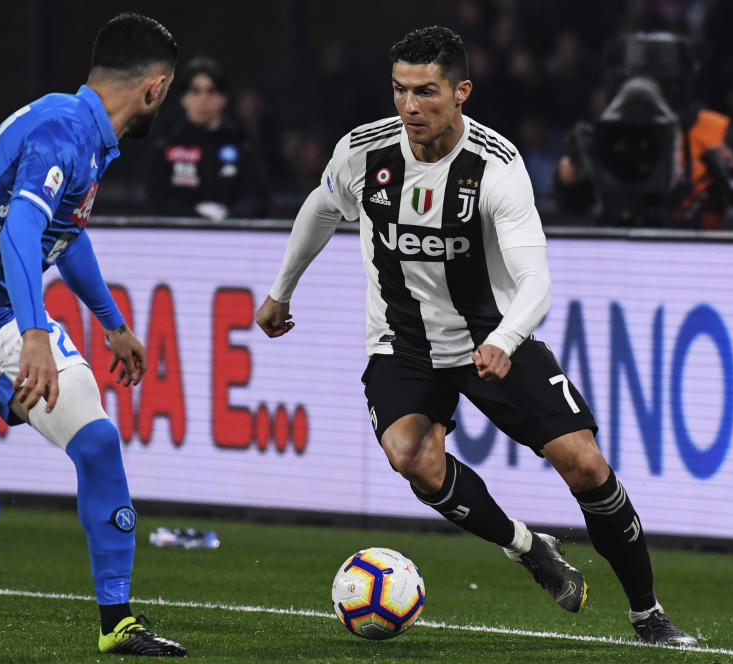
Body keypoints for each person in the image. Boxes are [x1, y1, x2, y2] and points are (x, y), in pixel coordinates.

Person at [256, 26, 697, 647]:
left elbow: (534, 278)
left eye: (427, 92)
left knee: (586, 465)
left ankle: (648, 615)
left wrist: (507, 338)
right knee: (412, 458)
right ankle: (529, 548)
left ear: (461, 92)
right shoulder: (362, 153)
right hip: (403, 340)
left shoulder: (496, 167)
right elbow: (320, 209)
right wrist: (281, 290)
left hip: (491, 336)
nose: (410, 107)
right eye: (400, 90)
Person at [0, 13, 186, 657]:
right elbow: (19, 234)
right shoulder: (64, 131)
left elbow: (67, 232)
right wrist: (37, 334)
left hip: (2, 322)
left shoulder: (84, 132)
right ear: (155, 88)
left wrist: (112, 324)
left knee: (98, 443)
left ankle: (117, 621)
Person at [553, 32, 733, 229]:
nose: (646, 95)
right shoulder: (608, 133)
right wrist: (573, 174)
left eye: (662, 87)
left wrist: (731, 171)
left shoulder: (712, 132)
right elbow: (572, 206)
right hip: (622, 252)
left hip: (697, 254)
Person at [145, 56, 270, 221]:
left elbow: (258, 199)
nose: (203, 99)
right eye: (195, 91)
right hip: (178, 240)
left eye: (211, 91)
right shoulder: (165, 148)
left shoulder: (244, 146)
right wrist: (197, 220)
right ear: (184, 99)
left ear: (223, 99)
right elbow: (158, 200)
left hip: (233, 239)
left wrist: (227, 221)